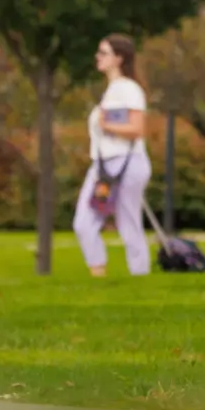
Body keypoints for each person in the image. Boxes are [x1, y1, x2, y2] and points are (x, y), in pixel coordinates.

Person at [74, 34, 151, 277]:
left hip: (126, 163)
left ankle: (139, 275)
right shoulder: (113, 90)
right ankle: (99, 276)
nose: (98, 57)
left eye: (104, 53)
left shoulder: (127, 89)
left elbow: (137, 129)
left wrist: (105, 126)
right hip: (104, 166)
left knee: (128, 223)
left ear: (119, 58)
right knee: (85, 222)